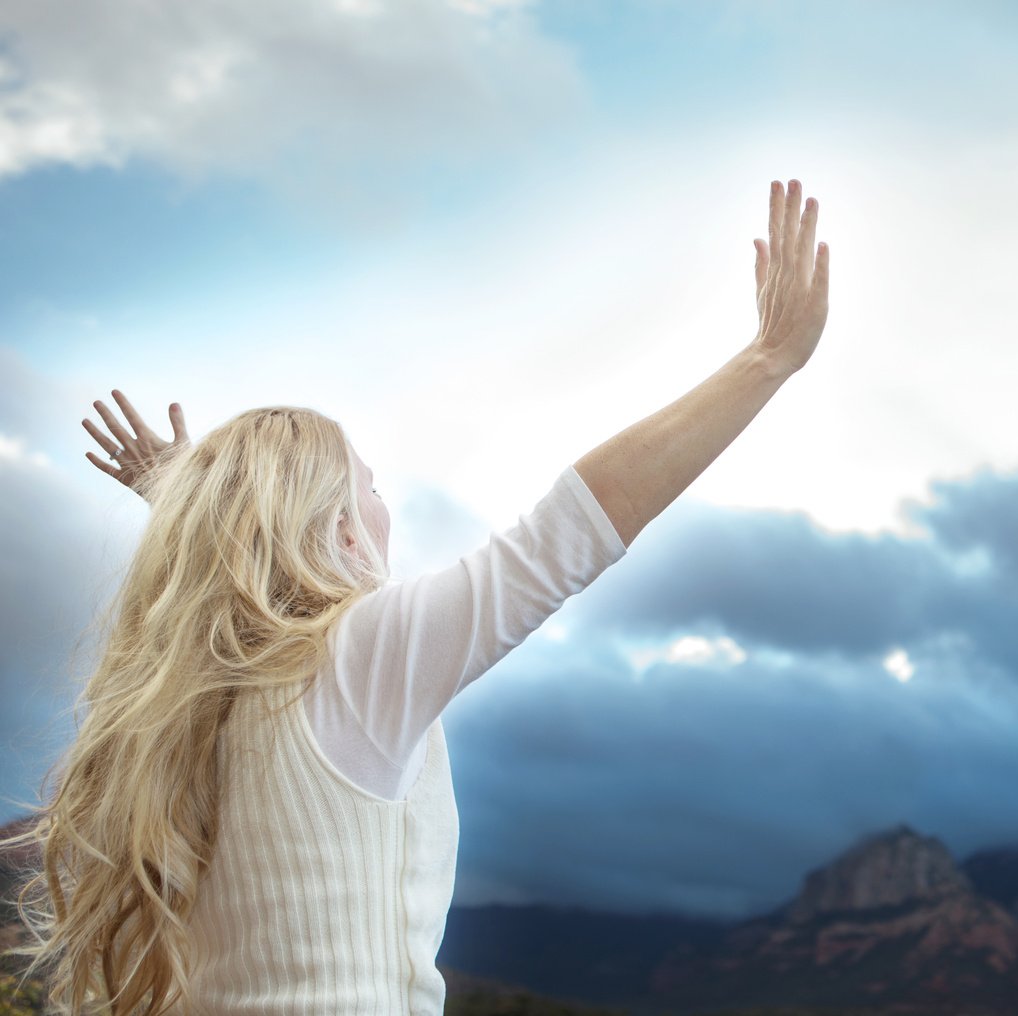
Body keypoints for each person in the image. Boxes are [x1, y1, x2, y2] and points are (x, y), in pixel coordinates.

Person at [0, 179, 829, 1015]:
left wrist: (187, 504)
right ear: (337, 531)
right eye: (371, 488)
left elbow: (232, 591)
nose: (383, 512)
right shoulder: (361, 655)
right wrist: (768, 359)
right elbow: (572, 529)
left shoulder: (179, 709)